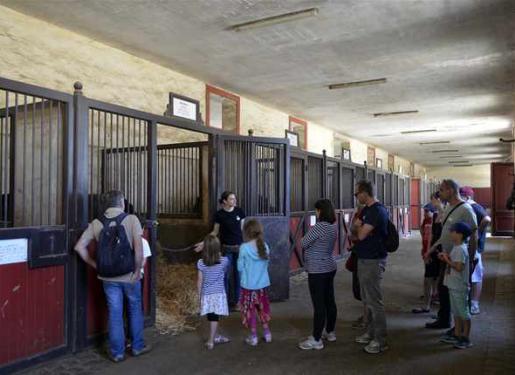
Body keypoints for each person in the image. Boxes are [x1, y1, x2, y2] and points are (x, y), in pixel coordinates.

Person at [74, 190, 150, 362]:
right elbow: (138, 249)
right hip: (129, 275)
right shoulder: (131, 219)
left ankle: (117, 353)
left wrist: (96, 265)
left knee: (114, 313)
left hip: (107, 277)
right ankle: (137, 347)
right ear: (122, 202)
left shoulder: (96, 223)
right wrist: (137, 271)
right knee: (134, 308)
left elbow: (79, 247)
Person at [425, 180, 477, 330]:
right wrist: (432, 249)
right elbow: (444, 234)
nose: (439, 193)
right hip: (446, 256)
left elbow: (474, 234)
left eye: (441, 190)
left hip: (458, 258)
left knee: (459, 292)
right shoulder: (448, 207)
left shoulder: (466, 210)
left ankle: (460, 328)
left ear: (451, 191)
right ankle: (445, 319)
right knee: (443, 288)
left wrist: (471, 258)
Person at [350, 180, 389, 354]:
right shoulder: (366, 210)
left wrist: (358, 229)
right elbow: (354, 231)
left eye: (357, 193)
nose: (356, 196)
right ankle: (371, 333)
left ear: (365, 192)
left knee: (374, 301)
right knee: (367, 299)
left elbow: (361, 235)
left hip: (373, 260)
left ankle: (380, 340)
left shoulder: (377, 211)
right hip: (363, 258)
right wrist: (357, 229)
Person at [298, 199, 338, 350]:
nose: (315, 212)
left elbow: (302, 243)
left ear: (321, 211)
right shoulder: (332, 227)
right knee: (329, 301)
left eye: (316, 210)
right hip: (329, 266)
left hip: (317, 270)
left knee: (319, 304)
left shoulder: (319, 227)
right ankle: (330, 332)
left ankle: (316, 338)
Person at [195, 191, 245, 310]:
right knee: (225, 275)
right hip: (226, 247)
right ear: (225, 201)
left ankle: (238, 301)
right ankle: (224, 300)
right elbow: (215, 232)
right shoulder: (219, 215)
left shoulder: (239, 212)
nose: (234, 201)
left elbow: (243, 230)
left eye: (234, 198)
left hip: (239, 247)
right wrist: (204, 242)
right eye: (231, 199)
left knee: (239, 274)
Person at [438, 222, 473, 349]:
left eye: (453, 231)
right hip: (454, 284)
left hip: (459, 285)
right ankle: (457, 334)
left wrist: (446, 260)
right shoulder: (457, 247)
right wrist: (447, 257)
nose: (451, 233)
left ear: (460, 234)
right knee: (456, 312)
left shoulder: (460, 249)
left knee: (463, 313)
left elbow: (459, 267)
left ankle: (465, 337)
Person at [237, 219, 272, 346]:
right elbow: (266, 265)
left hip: (248, 286)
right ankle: (267, 333)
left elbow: (240, 268)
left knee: (250, 310)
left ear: (247, 232)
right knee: (261, 308)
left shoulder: (244, 248)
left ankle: (253, 337)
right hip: (262, 285)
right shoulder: (265, 246)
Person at [459, 186, 491, 315]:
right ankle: (468, 301)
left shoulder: (474, 206)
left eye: (461, 196)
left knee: (476, 274)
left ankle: (475, 303)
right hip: (467, 244)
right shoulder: (465, 207)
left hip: (474, 245)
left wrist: (477, 231)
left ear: (467, 197)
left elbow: (487, 219)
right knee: (468, 273)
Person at [197, 234, 231, 350]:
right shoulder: (224, 261)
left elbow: (199, 281)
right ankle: (211, 341)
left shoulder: (201, 263)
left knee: (212, 317)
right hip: (218, 294)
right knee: (215, 317)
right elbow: (225, 269)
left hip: (207, 294)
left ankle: (215, 336)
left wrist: (199, 296)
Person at [413, 203, 438, 314]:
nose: (425, 213)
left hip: (432, 252)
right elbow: (422, 232)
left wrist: (428, 251)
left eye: (427, 211)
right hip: (427, 250)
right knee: (429, 277)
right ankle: (431, 297)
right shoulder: (426, 220)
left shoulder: (436, 222)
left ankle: (430, 300)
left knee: (430, 278)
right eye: (424, 211)